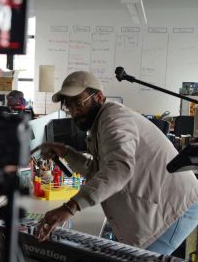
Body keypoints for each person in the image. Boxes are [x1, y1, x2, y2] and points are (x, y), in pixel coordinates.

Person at [35, 71, 198, 255]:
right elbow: (98, 172)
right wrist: (66, 153)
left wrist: (69, 208)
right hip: (159, 207)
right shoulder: (101, 124)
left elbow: (118, 170)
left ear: (98, 97)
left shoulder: (115, 119)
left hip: (174, 210)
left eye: (78, 103)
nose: (73, 112)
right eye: (69, 106)